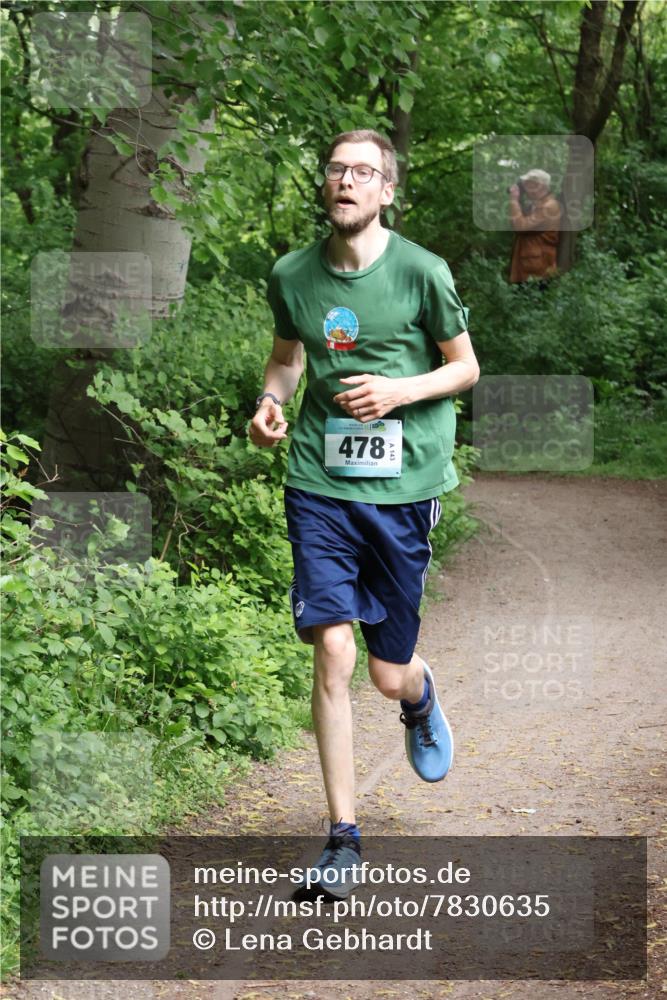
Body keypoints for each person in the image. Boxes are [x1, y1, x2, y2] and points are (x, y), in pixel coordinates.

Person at [249, 129, 480, 897]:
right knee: (333, 650)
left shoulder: (421, 272)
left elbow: (463, 367)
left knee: (384, 674)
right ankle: (342, 836)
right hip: (319, 479)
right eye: (336, 170)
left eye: (363, 172)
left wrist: (396, 392)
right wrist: (270, 402)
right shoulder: (292, 273)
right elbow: (287, 358)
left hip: (404, 486)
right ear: (325, 186)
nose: (346, 181)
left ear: (386, 190)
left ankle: (418, 695)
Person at [509, 168, 562, 286]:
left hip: (537, 268)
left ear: (539, 186)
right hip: (532, 263)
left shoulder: (548, 207)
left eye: (528, 184)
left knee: (533, 300)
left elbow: (520, 226)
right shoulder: (537, 204)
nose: (524, 187)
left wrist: (514, 201)